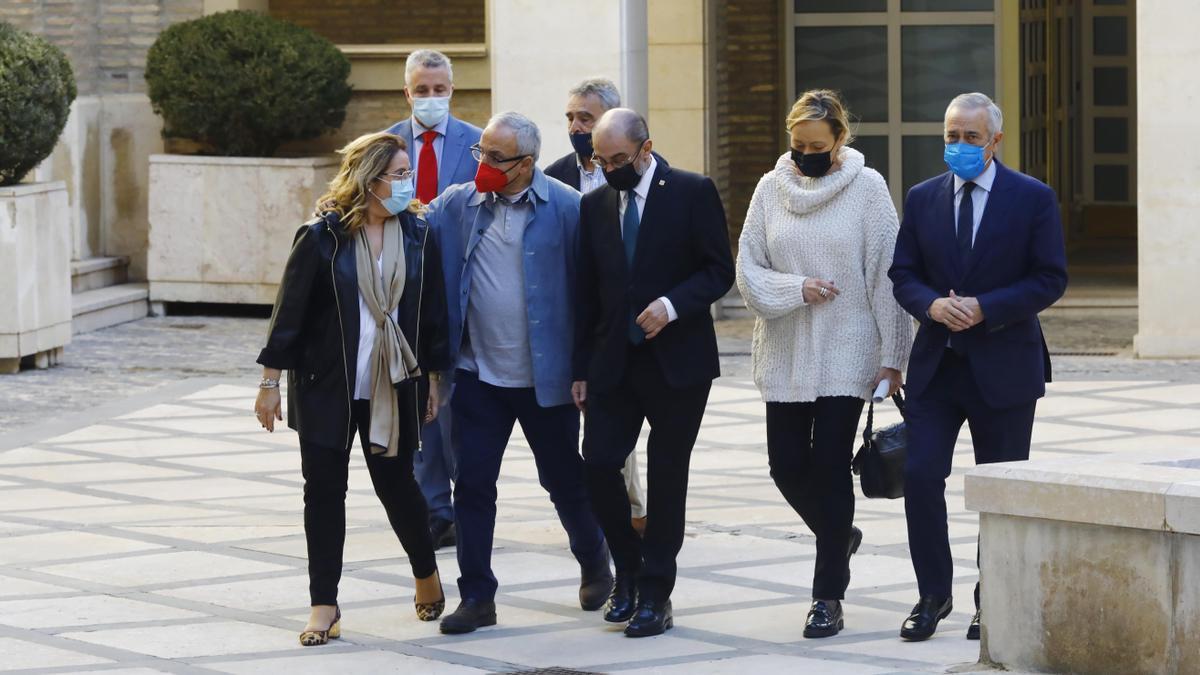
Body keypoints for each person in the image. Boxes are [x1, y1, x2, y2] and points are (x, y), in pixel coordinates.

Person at [253, 132, 451, 646]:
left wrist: (432, 377)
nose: (407, 183)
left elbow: (432, 313)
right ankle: (324, 603)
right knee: (323, 492)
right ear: (370, 179)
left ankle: (425, 572)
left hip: (395, 380)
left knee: (397, 484)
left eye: (409, 173)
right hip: (326, 385)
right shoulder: (321, 237)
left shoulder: (418, 234)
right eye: (399, 174)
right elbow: (288, 315)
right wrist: (270, 383)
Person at [425, 112, 613, 634]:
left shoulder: (569, 209)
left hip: (545, 377)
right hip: (477, 375)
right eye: (479, 152)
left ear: (525, 163)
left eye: (494, 157)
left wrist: (585, 368)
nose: (481, 163)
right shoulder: (459, 205)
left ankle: (594, 558)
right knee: (474, 486)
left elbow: (593, 294)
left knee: (562, 479)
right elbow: (411, 223)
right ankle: (477, 597)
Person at [889, 92, 1067, 642]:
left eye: (970, 137)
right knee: (920, 477)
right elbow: (903, 273)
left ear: (995, 140)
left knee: (1000, 488)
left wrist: (986, 307)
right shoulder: (922, 198)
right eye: (950, 136)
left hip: (1004, 365)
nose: (959, 146)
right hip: (937, 368)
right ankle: (931, 595)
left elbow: (1049, 278)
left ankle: (992, 598)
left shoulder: (1032, 198)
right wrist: (931, 305)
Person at [736, 89, 913, 638]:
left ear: (840, 139)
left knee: (831, 466)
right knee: (786, 466)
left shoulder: (868, 189)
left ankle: (826, 597)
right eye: (797, 144)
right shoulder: (770, 188)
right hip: (787, 348)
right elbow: (747, 269)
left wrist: (893, 357)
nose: (806, 153)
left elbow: (888, 274)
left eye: (817, 144)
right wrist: (797, 288)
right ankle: (838, 534)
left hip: (848, 346)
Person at [575, 108, 734, 637]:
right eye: (601, 159)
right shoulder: (595, 204)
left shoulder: (691, 190)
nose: (610, 167)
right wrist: (580, 368)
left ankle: (656, 593)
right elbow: (586, 292)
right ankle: (628, 569)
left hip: (677, 363)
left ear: (646, 148)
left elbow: (718, 270)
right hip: (613, 363)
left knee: (667, 478)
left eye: (619, 158)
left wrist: (672, 304)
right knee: (597, 464)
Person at [384, 48, 483, 551]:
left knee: (455, 409)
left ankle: (467, 504)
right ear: (407, 92)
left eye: (438, 90)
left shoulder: (478, 145)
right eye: (421, 90)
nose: (430, 98)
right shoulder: (386, 146)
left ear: (452, 90)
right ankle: (434, 509)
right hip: (403, 294)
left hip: (461, 291)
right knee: (415, 404)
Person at [545, 76, 649, 537]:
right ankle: (598, 508)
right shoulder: (553, 176)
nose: (575, 126)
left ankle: (631, 511)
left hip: (618, 322)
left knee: (612, 424)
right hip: (567, 314)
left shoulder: (641, 177)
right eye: (570, 117)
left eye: (584, 118)